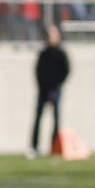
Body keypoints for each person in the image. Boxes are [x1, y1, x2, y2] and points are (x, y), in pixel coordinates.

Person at [31, 22, 70, 157]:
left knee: (56, 119)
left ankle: (54, 147)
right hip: (43, 90)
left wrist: (57, 85)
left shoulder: (61, 53)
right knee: (38, 117)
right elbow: (38, 71)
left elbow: (66, 71)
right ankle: (34, 146)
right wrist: (43, 85)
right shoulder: (44, 53)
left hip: (55, 89)